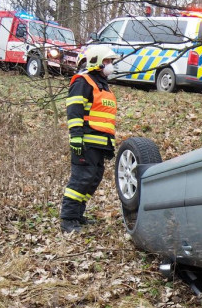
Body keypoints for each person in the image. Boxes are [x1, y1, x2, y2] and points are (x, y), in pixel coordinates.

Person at [60, 46, 119, 233]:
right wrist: (76, 136)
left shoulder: (102, 84)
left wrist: (109, 144)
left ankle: (77, 215)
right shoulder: (83, 82)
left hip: (99, 143)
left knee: (93, 178)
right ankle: (68, 219)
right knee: (81, 179)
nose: (110, 65)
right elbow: (75, 110)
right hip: (85, 141)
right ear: (97, 61)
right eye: (107, 61)